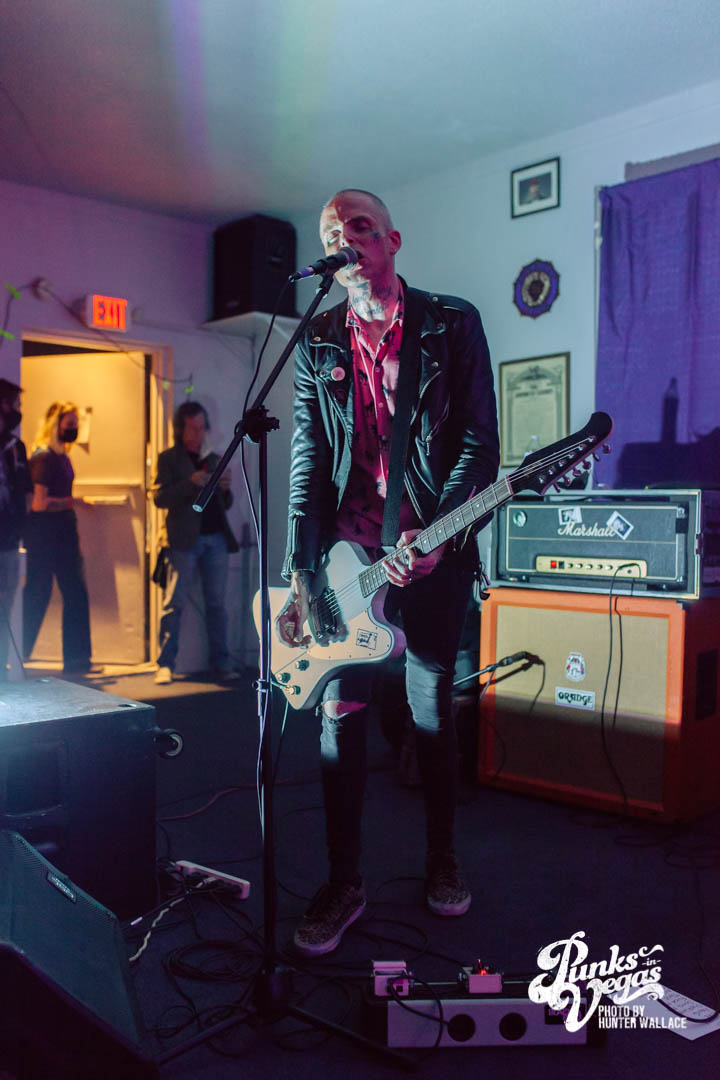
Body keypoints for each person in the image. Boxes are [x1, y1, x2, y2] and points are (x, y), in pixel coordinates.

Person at [276, 189, 500, 957]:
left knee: (431, 706)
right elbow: (309, 456)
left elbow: (479, 445)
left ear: (393, 240)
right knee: (339, 718)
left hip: (432, 548)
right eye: (332, 235)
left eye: (360, 227)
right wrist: (302, 570)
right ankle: (344, 881)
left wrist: (441, 531)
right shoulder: (319, 338)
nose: (345, 241)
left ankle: (442, 859)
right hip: (348, 555)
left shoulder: (451, 323)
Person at [152, 401, 240, 684]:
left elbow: (226, 503)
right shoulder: (169, 459)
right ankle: (165, 664)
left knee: (217, 605)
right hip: (183, 539)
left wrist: (224, 489)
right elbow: (159, 498)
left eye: (202, 428)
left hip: (215, 537)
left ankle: (221, 664)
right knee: (173, 603)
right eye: (192, 428)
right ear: (181, 429)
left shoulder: (213, 458)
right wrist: (190, 482)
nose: (198, 434)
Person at [23, 401, 97, 676]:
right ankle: (14, 656)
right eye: (69, 424)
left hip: (63, 532)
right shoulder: (43, 458)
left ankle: (78, 661)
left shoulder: (62, 456)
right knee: (38, 593)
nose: (74, 429)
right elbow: (39, 503)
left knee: (74, 592)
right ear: (55, 425)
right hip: (45, 535)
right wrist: (72, 502)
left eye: (76, 424)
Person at [0, 378, 32, 679]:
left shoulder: (16, 448)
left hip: (9, 541)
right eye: (15, 404)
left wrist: (20, 524)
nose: (18, 410)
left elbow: (26, 489)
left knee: (6, 606)